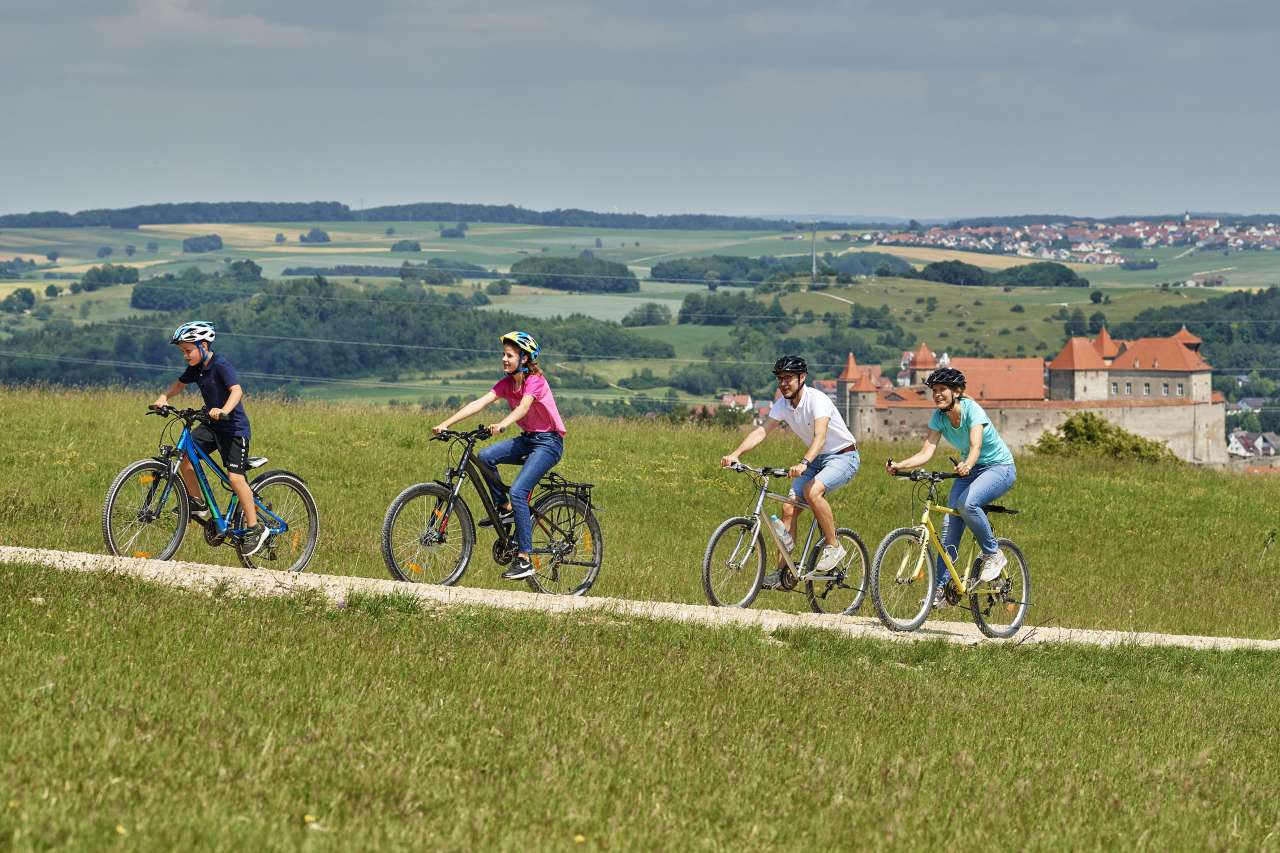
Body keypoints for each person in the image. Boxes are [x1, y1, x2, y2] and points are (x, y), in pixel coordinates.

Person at [433, 331, 566, 581]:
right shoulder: (506, 383)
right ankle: (504, 508)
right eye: (503, 354)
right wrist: (446, 423)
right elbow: (480, 403)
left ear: (524, 359)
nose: (504, 359)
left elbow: (525, 406)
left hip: (549, 443)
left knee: (518, 491)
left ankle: (525, 559)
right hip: (528, 439)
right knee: (484, 457)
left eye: (510, 355)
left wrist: (503, 424)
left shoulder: (535, 381)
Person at [720, 355, 860, 588]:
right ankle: (784, 573)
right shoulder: (783, 405)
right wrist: (736, 454)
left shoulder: (818, 400)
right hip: (816, 459)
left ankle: (834, 547)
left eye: (788, 378)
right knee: (788, 508)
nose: (783, 383)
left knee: (812, 491)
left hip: (843, 455)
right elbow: (762, 431)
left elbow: (820, 436)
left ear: (802, 378)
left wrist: (805, 462)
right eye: (780, 379)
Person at [885, 366, 1017, 607]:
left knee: (967, 504)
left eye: (942, 389)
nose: (937, 394)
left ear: (956, 391)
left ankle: (993, 554)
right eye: (934, 390)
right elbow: (927, 451)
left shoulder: (971, 409)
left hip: (999, 468)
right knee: (948, 527)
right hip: (969, 468)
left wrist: (967, 463)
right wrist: (900, 465)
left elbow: (976, 445)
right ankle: (942, 589)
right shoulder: (939, 417)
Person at [150, 321, 271, 556]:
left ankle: (255, 528)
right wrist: (164, 397)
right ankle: (197, 502)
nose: (185, 356)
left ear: (203, 345)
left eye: (188, 350)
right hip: (212, 426)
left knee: (235, 479)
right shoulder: (196, 368)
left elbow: (237, 391)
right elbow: (179, 385)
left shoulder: (220, 365)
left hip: (233, 429)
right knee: (184, 457)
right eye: (182, 352)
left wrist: (223, 409)